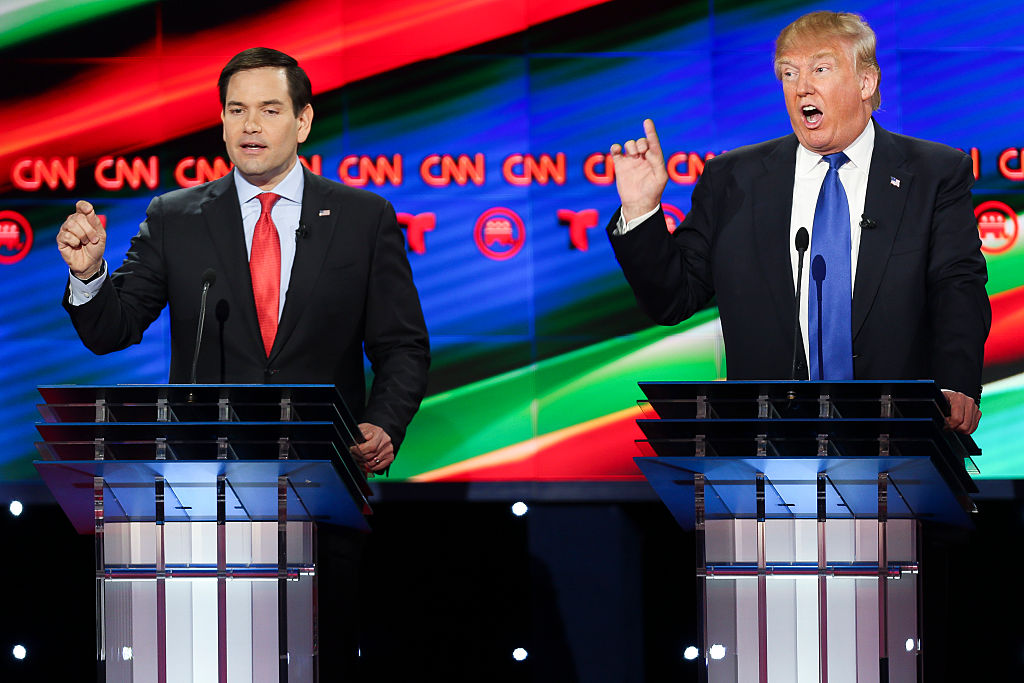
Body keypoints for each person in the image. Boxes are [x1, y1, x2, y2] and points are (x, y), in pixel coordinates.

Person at [56, 47, 430, 676]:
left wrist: (385, 423)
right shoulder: (175, 218)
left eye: (269, 109)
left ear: (304, 122)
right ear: (223, 123)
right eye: (236, 110)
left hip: (318, 490)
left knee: (319, 660)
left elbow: (401, 346)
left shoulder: (364, 219)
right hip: (202, 496)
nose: (251, 124)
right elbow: (113, 330)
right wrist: (91, 274)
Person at [607, 10, 989, 434]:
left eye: (820, 69)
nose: (801, 87)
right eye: (788, 74)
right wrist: (641, 211)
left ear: (866, 82)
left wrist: (958, 384)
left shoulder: (934, 172)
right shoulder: (733, 179)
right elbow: (673, 298)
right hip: (767, 451)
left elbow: (958, 287)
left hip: (902, 437)